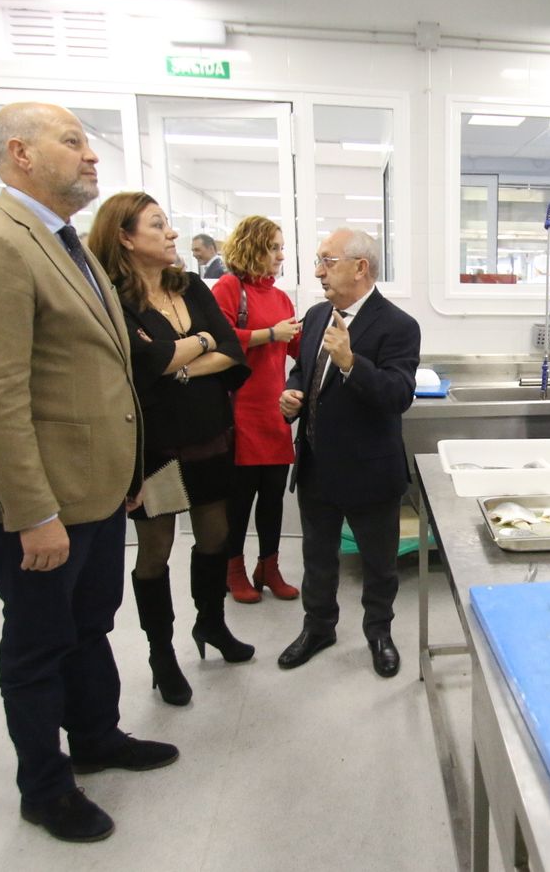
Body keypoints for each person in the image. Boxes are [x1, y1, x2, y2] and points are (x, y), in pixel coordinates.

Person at [0, 102, 176, 843]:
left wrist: (127, 473)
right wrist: (32, 512)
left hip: (95, 489)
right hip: (39, 501)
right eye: (73, 143)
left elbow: (98, 375)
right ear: (21, 153)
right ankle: (44, 786)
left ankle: (97, 738)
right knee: (38, 644)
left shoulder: (65, 244)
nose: (91, 157)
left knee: (90, 625)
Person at [87, 192, 255, 708]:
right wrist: (199, 346)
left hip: (209, 435)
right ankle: (162, 652)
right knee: (155, 549)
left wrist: (182, 361)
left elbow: (230, 349)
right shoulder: (114, 299)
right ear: (125, 236)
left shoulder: (192, 287)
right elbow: (144, 362)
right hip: (155, 446)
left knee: (216, 535)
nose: (172, 234)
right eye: (158, 225)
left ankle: (212, 625)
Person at [276, 228, 421, 678]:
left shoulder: (398, 326)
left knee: (380, 564)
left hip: (369, 473)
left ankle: (379, 632)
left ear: (360, 267)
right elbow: (302, 371)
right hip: (316, 465)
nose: (318, 271)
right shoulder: (318, 315)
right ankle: (318, 627)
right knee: (317, 559)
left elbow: (398, 394)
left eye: (327, 260)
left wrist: (351, 364)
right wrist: (291, 393)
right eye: (319, 261)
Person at [211, 215, 304, 604]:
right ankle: (234, 570)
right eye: (275, 248)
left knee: (272, 498)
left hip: (274, 414)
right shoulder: (230, 288)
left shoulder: (281, 298)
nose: (282, 256)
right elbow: (217, 338)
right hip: (240, 414)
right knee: (239, 501)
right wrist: (270, 334)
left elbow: (297, 350)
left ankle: (269, 566)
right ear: (254, 247)